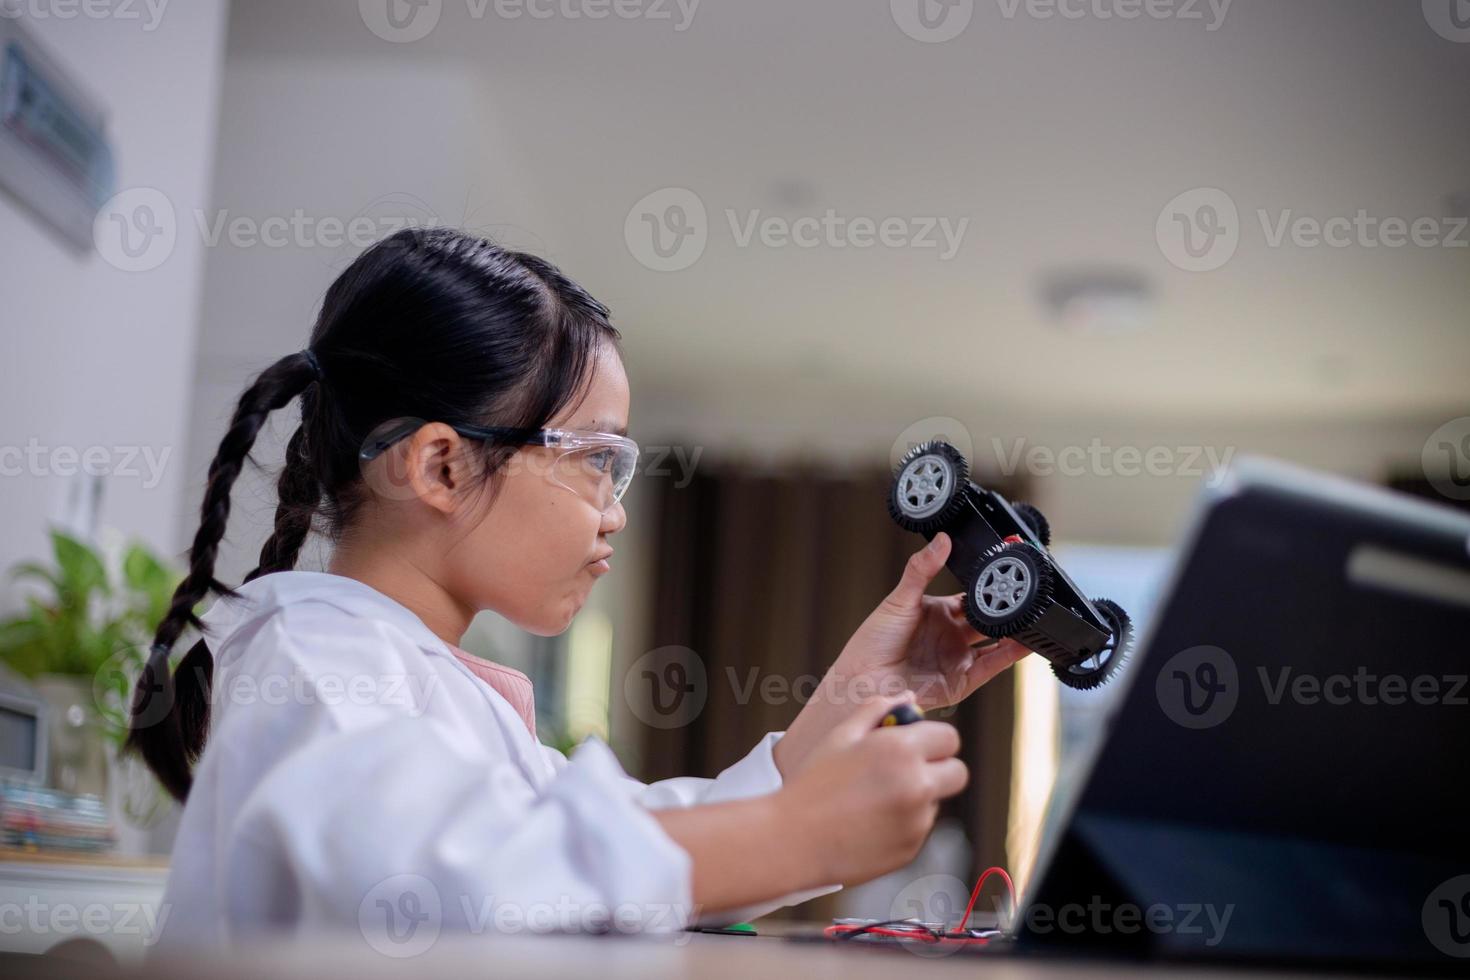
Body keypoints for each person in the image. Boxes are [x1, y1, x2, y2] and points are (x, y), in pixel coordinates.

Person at [128, 227, 1028, 947]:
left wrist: (867, 696)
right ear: (440, 465)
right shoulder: (315, 661)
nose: (615, 513)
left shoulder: (411, 676)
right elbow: (444, 885)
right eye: (596, 461)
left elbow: (616, 843)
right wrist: (794, 835)